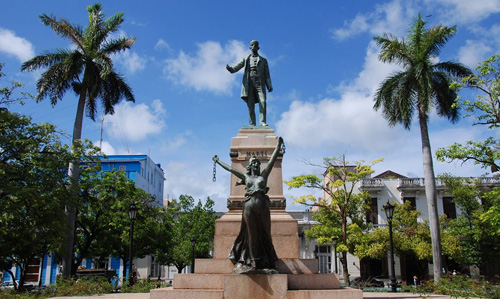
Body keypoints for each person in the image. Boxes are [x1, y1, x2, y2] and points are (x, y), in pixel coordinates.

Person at [212, 137, 283, 274]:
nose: (256, 164)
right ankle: (253, 262)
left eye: (257, 162)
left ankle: (268, 260)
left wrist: (278, 145)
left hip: (263, 205)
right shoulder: (246, 178)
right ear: (250, 166)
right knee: (251, 234)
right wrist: (218, 161)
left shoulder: (264, 175)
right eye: (253, 163)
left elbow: (272, 160)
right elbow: (230, 170)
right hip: (249, 206)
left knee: (266, 233)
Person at [226, 40, 273, 127]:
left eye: (255, 45)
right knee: (250, 104)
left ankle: (262, 122)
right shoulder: (246, 58)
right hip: (249, 81)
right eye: (252, 45)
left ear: (258, 47)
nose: (254, 46)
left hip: (260, 82)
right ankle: (252, 123)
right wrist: (231, 69)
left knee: (262, 101)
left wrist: (269, 85)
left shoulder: (263, 60)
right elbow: (237, 66)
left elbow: (267, 74)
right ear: (250, 47)